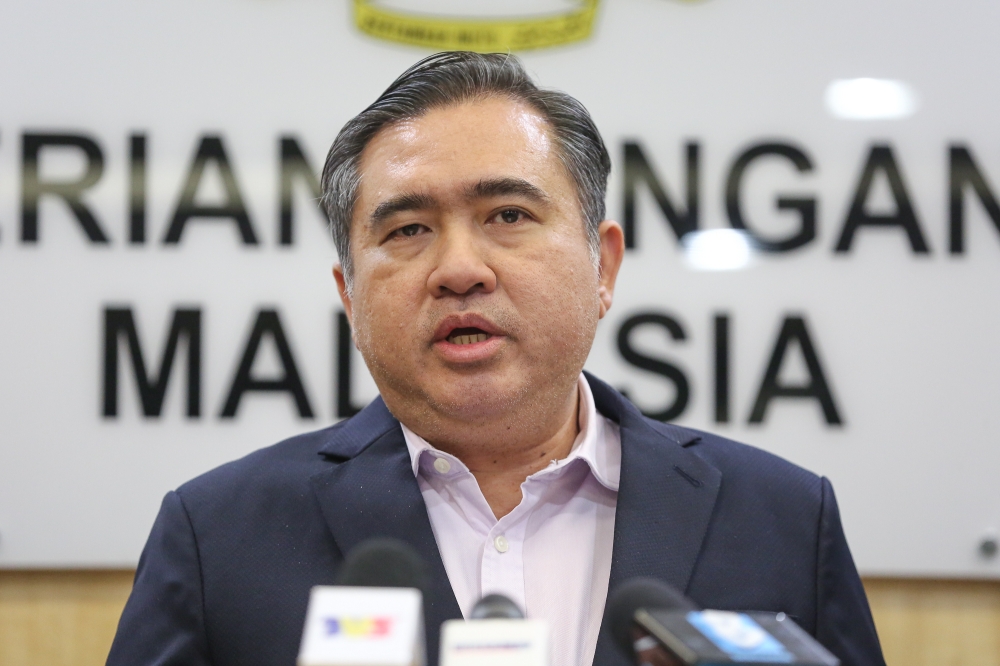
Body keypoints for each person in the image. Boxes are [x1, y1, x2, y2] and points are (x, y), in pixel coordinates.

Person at [107, 52, 885, 666]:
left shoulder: (782, 518)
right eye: (407, 229)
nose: (458, 268)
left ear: (604, 267)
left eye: (507, 214)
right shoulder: (217, 536)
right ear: (349, 294)